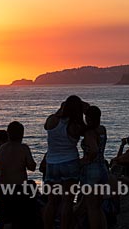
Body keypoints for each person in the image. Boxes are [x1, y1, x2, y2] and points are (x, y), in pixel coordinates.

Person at [43, 95, 86, 229]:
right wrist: (84, 107)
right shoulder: (76, 125)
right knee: (67, 201)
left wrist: (62, 108)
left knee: (51, 202)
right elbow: (89, 128)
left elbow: (47, 125)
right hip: (70, 163)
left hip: (52, 163)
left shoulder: (51, 120)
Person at [0, 121, 37, 229]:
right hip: (19, 188)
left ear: (8, 133)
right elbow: (31, 166)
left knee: (6, 219)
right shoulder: (23, 148)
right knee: (21, 219)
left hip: (4, 188)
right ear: (22, 134)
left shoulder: (2, 148)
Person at [80, 105, 108, 229]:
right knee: (97, 206)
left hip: (92, 170)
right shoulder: (102, 129)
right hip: (103, 168)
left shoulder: (89, 132)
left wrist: (84, 161)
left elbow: (94, 150)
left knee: (91, 207)